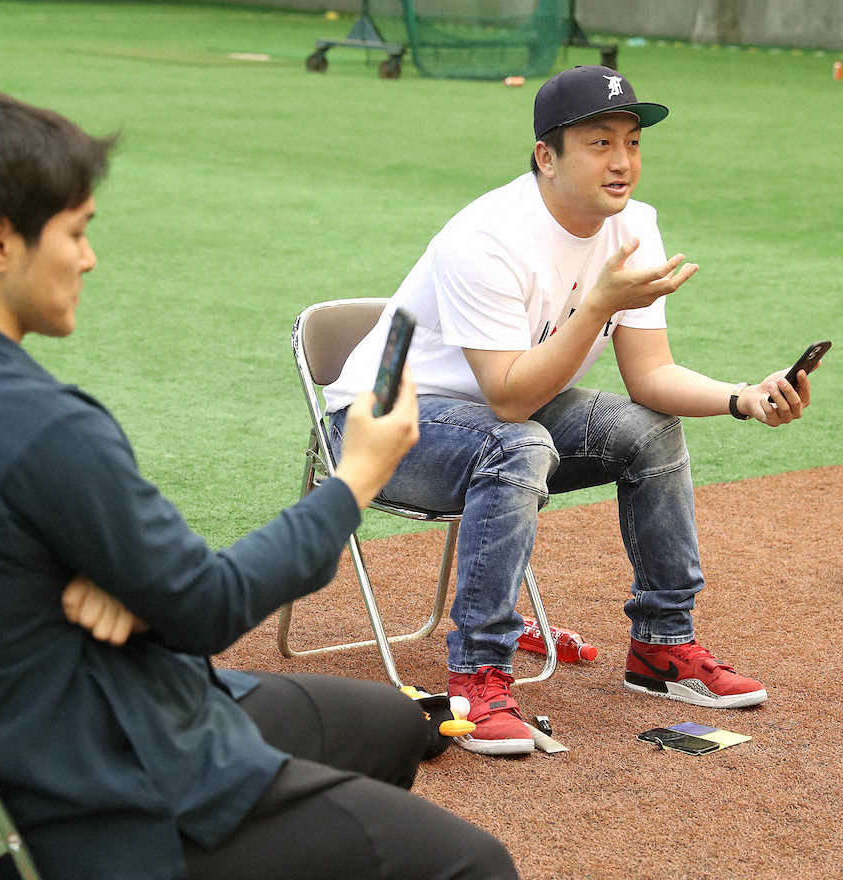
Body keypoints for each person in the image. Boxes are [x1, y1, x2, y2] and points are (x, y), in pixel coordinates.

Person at [0, 93, 518, 880]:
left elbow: (24, 558)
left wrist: (121, 586)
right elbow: (206, 604)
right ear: (0, 242)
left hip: (47, 720)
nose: (89, 257)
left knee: (392, 723)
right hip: (111, 784)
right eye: (76, 230)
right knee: (475, 864)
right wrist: (357, 476)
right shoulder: (39, 425)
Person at [323, 65, 817, 757]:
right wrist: (599, 307)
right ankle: (477, 672)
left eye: (632, 141)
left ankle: (662, 647)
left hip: (498, 426)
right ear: (545, 157)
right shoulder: (486, 235)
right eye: (599, 142)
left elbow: (651, 377)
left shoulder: (632, 226)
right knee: (518, 441)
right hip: (379, 424)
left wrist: (743, 398)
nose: (623, 162)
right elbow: (510, 397)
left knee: (646, 431)